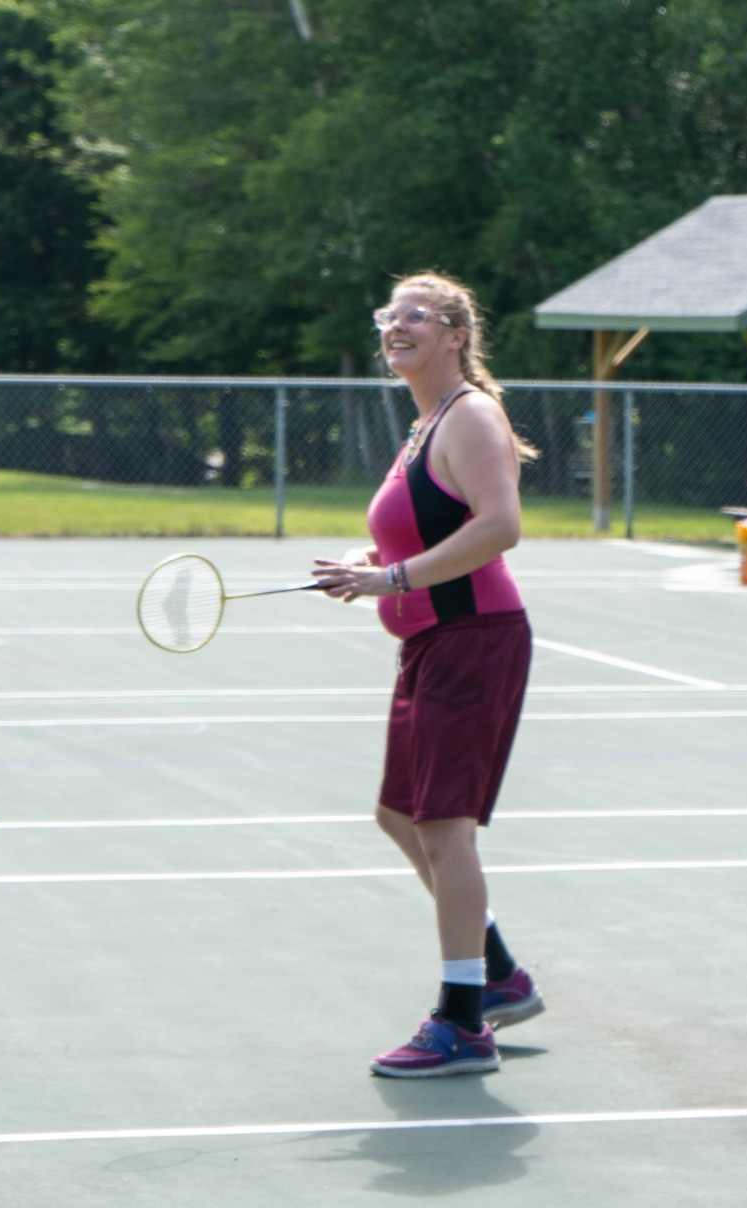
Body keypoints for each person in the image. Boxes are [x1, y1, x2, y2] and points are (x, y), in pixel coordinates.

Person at [313, 272, 545, 1079]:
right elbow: (425, 528)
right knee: (398, 814)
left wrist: (395, 579)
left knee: (443, 825)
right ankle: (500, 973)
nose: (397, 325)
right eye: (389, 314)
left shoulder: (472, 414)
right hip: (431, 643)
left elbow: (499, 525)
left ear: (456, 335)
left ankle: (463, 1021)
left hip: (475, 638)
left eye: (417, 314)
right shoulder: (422, 427)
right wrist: (366, 565)